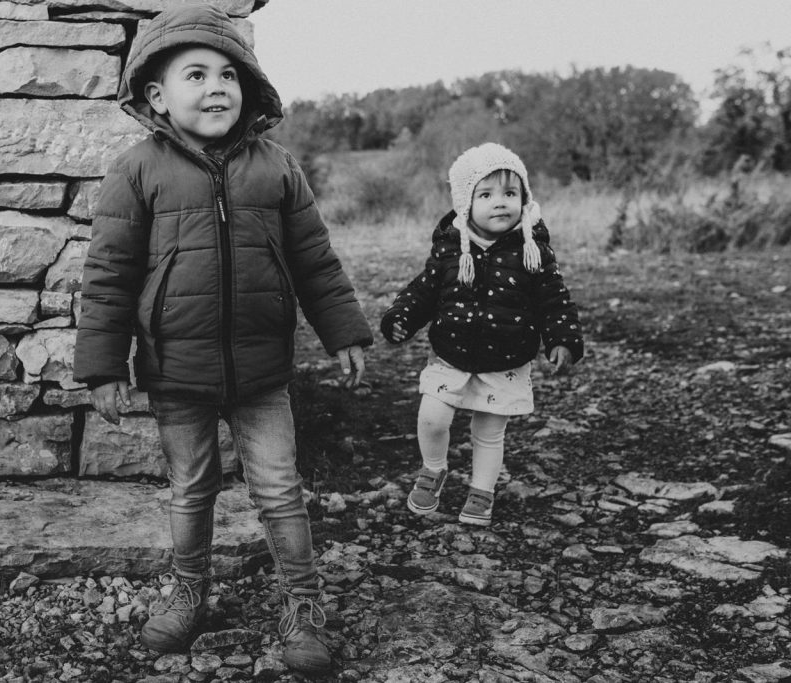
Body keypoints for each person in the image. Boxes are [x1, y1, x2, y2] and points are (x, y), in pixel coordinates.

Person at [73, 4, 372, 674]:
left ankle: (302, 604)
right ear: (156, 94)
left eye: (230, 74)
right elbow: (110, 273)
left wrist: (343, 329)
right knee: (191, 487)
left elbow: (314, 258)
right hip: (175, 369)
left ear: (249, 87)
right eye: (197, 74)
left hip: (264, 372)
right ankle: (188, 590)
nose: (217, 87)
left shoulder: (276, 166)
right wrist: (103, 365)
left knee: (279, 487)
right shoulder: (136, 171)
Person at [380, 142, 583, 526]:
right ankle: (433, 469)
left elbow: (554, 300)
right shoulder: (449, 250)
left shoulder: (533, 250)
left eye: (510, 193)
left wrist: (563, 338)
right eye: (486, 194)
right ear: (464, 203)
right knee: (432, 416)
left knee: (488, 431)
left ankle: (482, 492)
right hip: (450, 353)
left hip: (505, 359)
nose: (500, 203)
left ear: (524, 198)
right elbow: (424, 291)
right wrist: (401, 316)